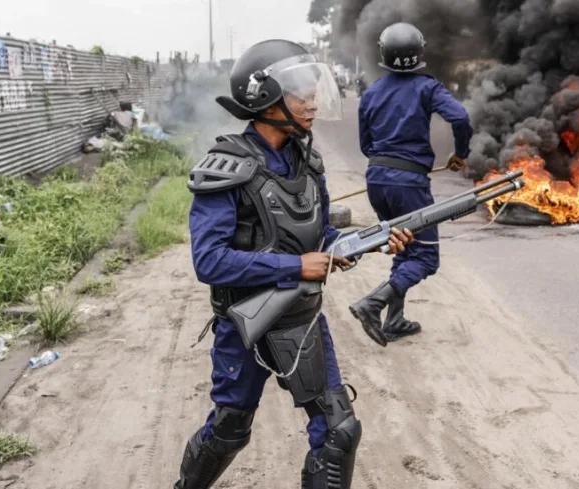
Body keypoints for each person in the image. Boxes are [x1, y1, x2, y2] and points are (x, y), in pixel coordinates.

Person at [175, 39, 414, 489]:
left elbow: (320, 236)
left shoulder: (307, 159)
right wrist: (294, 267)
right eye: (301, 94)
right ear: (265, 99)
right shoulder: (225, 167)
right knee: (229, 430)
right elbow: (209, 261)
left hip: (301, 321)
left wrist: (373, 240)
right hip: (243, 328)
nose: (314, 102)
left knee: (339, 432)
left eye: (314, 91)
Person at [350, 22, 474, 347]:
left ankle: (394, 321)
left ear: (383, 54)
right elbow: (460, 118)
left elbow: (366, 146)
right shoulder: (427, 87)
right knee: (425, 257)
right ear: (420, 52)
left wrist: (386, 161)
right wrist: (460, 154)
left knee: (403, 243)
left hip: (377, 178)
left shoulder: (371, 93)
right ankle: (373, 303)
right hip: (409, 184)